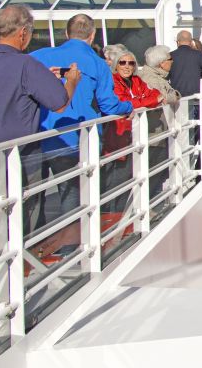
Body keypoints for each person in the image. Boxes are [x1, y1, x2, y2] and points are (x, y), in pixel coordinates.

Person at [0, 5, 81, 271]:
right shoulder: (26, 65)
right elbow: (59, 103)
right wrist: (71, 82)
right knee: (22, 221)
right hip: (20, 160)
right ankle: (13, 288)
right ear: (23, 33)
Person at [32, 14, 132, 219]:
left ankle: (34, 246)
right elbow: (109, 105)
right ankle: (71, 247)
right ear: (93, 35)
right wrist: (128, 106)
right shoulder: (97, 63)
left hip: (37, 136)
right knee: (72, 196)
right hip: (76, 138)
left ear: (67, 34)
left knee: (32, 199)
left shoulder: (38, 56)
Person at [103, 47, 161, 212]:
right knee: (116, 180)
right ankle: (113, 216)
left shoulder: (136, 81)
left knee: (130, 177)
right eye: (123, 63)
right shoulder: (113, 81)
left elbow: (154, 93)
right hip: (118, 136)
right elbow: (124, 103)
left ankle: (124, 214)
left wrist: (143, 100)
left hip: (134, 136)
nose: (127, 66)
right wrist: (144, 100)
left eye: (131, 63)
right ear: (116, 65)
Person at [138, 45, 180, 198]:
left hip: (157, 131)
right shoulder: (150, 78)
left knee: (157, 168)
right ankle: (148, 202)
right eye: (170, 59)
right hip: (153, 132)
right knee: (153, 169)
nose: (172, 61)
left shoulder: (156, 76)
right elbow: (162, 98)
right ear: (161, 63)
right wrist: (173, 95)